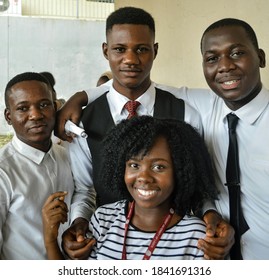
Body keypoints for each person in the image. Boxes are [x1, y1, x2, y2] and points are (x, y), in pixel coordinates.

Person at [58, 17, 269, 260]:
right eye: (119, 49)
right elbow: (85, 189)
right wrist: (82, 95)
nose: (130, 59)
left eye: (141, 49)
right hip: (112, 242)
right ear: (106, 51)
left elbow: (198, 183)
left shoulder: (189, 109)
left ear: (154, 51)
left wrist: (209, 215)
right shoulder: (86, 120)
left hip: (180, 241)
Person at [43, 116, 219, 260]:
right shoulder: (104, 219)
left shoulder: (197, 236)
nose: (144, 177)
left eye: (159, 167)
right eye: (134, 165)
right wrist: (50, 239)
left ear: (181, 171)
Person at [0, 72, 74, 259]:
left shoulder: (68, 157)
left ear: (56, 107)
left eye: (43, 105)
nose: (35, 115)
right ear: (9, 117)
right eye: (23, 108)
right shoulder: (4, 170)